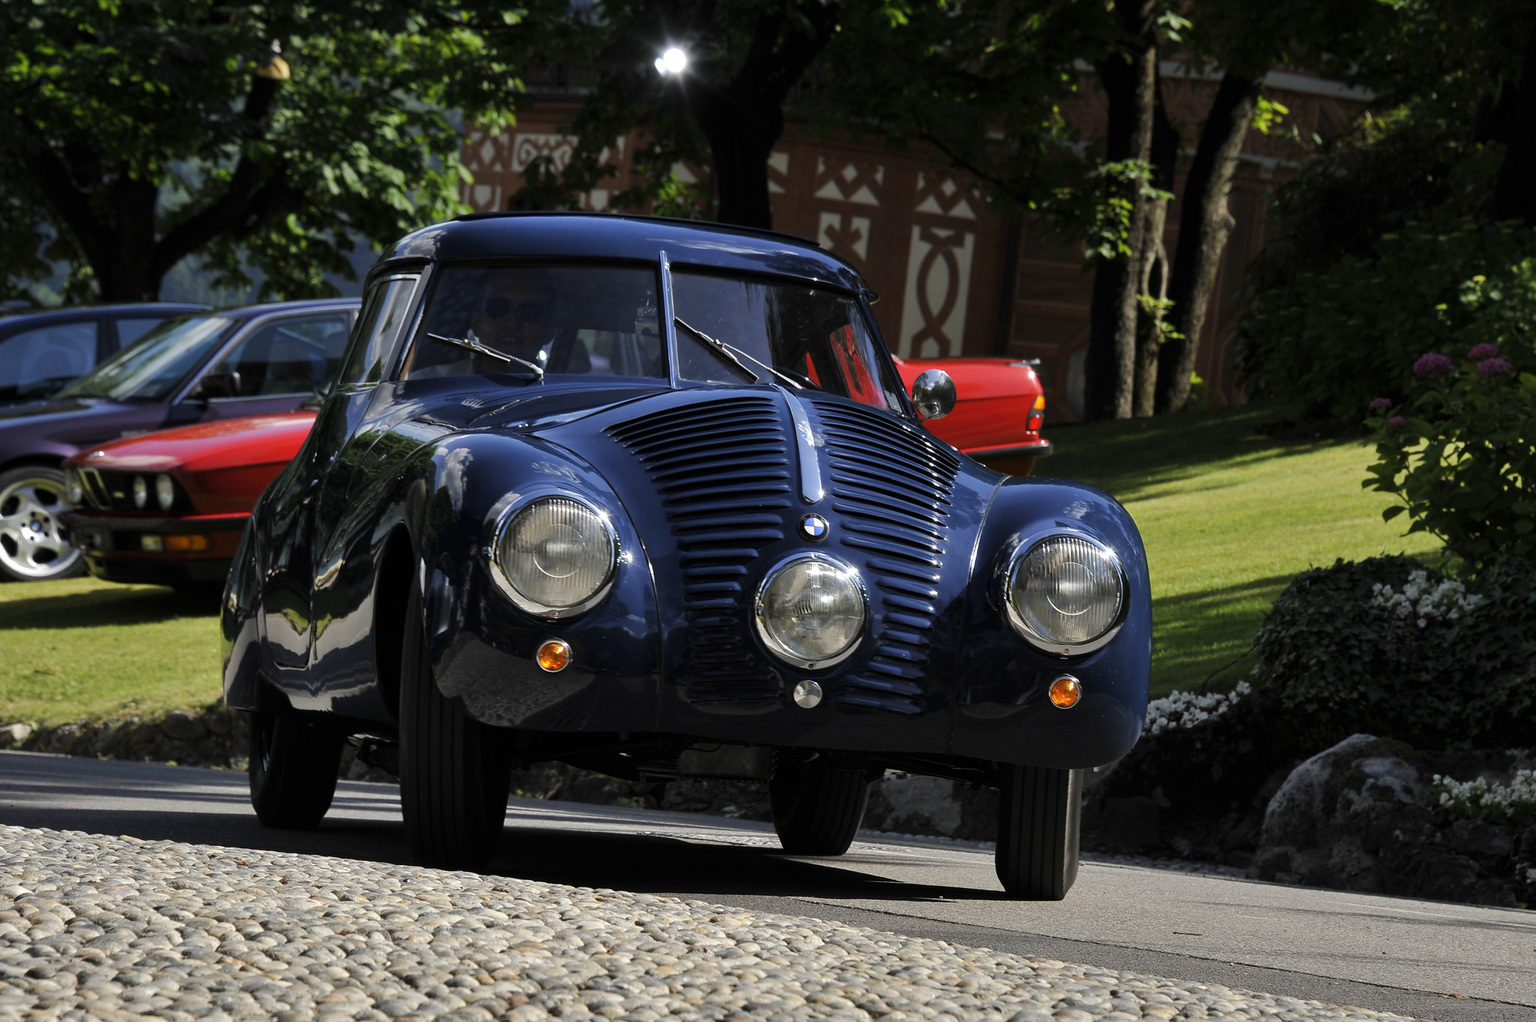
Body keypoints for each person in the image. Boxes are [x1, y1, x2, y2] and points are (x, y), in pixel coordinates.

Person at [468, 267, 560, 367]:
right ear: (476, 323)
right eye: (498, 308)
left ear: (548, 331)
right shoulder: (449, 380)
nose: (512, 322)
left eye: (529, 311)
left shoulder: (569, 382)